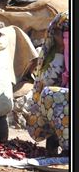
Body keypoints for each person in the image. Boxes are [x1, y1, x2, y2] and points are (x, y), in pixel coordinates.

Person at [26, 12, 70, 155]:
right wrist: (59, 52)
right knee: (51, 97)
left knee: (50, 95)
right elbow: (47, 80)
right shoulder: (58, 55)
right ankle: (56, 140)